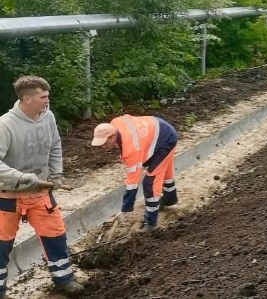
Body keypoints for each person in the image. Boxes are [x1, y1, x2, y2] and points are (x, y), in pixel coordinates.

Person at [0, 76, 84, 296]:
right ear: (27, 99)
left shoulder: (48, 117)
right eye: (43, 97)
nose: (48, 100)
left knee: (55, 236)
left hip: (40, 193)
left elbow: (55, 145)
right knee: (1, 245)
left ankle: (64, 279)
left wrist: (56, 174)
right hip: (8, 196)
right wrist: (22, 178)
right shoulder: (5, 125)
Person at [91, 115, 179, 232]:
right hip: (158, 128)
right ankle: (170, 198)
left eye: (104, 143)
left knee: (150, 182)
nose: (103, 146)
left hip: (166, 139)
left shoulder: (131, 149)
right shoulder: (115, 124)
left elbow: (132, 183)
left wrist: (124, 210)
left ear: (113, 136)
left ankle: (150, 223)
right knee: (164, 171)